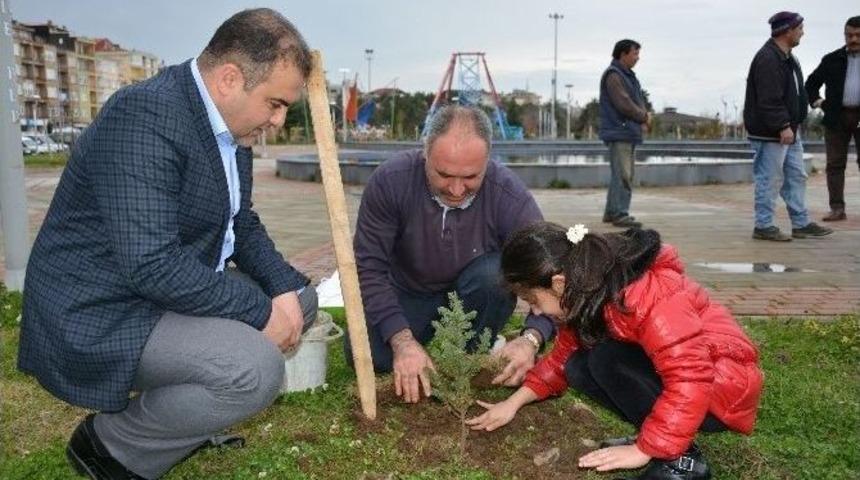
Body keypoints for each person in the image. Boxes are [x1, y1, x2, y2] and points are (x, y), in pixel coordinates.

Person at [17, 9, 317, 479]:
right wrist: (260, 313)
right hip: (102, 309)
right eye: (274, 104)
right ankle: (108, 447)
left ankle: (186, 418)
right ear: (229, 79)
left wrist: (281, 290)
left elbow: (242, 224)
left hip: (158, 293)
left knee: (300, 299)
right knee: (255, 369)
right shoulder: (144, 115)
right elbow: (153, 266)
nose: (278, 121)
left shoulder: (228, 128)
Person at [466, 222, 763, 480]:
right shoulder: (584, 292)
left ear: (558, 283)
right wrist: (513, 403)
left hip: (720, 389)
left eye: (531, 298)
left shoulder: (645, 294)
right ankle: (660, 436)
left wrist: (643, 449)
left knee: (606, 358)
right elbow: (562, 358)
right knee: (578, 365)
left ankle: (681, 463)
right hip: (693, 385)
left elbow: (691, 378)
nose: (532, 309)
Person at [348, 104, 554, 403]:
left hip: (475, 291)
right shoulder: (390, 181)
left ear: (487, 161)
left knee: (497, 274)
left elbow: (548, 274)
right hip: (409, 292)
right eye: (443, 174)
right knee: (371, 357)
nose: (457, 190)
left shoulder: (508, 195)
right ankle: (416, 345)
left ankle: (476, 349)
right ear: (425, 155)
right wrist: (402, 340)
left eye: (471, 177)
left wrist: (531, 338)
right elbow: (369, 268)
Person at [744, 11, 833, 241]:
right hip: (772, 132)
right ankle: (763, 226)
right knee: (770, 179)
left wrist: (795, 122)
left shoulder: (788, 57)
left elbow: (796, 93)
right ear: (787, 30)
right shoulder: (768, 58)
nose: (802, 32)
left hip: (789, 130)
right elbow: (769, 98)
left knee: (796, 177)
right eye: (800, 28)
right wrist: (783, 124)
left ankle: (801, 223)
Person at [805, 16, 860, 222]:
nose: (853, 39)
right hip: (837, 117)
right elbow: (810, 84)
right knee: (835, 164)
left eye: (857, 35)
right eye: (849, 35)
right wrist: (820, 103)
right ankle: (837, 208)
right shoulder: (832, 59)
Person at [599, 39, 651, 229]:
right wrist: (643, 116)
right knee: (624, 175)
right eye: (635, 53)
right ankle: (620, 213)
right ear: (623, 54)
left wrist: (643, 117)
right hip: (619, 131)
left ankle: (612, 212)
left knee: (619, 174)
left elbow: (636, 100)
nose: (638, 58)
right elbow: (624, 104)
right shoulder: (614, 75)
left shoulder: (628, 76)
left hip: (626, 131)